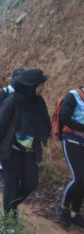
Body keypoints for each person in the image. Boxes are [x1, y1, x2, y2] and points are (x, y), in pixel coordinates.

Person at [0, 68, 51, 219]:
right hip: (11, 150)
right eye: (41, 85)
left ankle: (12, 204)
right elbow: (0, 127)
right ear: (31, 86)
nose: (43, 88)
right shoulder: (12, 101)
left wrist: (47, 145)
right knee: (11, 183)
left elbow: (45, 123)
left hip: (29, 151)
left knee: (31, 182)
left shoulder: (39, 102)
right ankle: (9, 219)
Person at [0, 68, 24, 182]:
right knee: (4, 145)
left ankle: (13, 171)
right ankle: (1, 168)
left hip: (18, 124)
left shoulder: (25, 92)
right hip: (5, 123)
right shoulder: (6, 91)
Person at [57, 86, 84, 228]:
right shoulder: (73, 96)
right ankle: (63, 208)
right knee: (79, 177)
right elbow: (65, 118)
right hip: (71, 140)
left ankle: (75, 213)